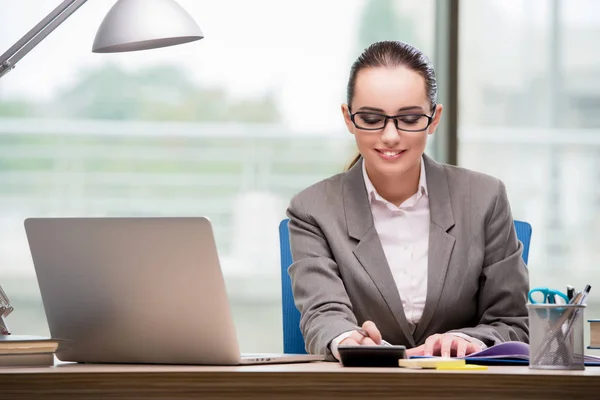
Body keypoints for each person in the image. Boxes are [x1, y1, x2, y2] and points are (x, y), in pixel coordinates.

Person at [286, 40, 529, 362]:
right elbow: (322, 313)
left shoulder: (485, 198)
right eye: (371, 119)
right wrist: (347, 340)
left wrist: (467, 339)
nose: (390, 136)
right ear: (348, 118)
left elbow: (512, 321)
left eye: (410, 119)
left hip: (463, 387)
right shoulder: (312, 209)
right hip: (362, 386)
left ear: (434, 118)